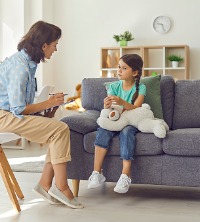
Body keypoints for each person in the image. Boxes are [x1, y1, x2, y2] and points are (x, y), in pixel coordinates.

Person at [0, 21, 83, 209]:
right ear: (44, 45)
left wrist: (48, 109)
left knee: (57, 129)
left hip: (7, 114)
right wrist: (48, 103)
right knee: (60, 129)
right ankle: (60, 187)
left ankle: (46, 184)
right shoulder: (19, 67)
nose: (55, 49)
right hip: (2, 117)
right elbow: (18, 109)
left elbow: (23, 106)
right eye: (55, 45)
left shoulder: (28, 63)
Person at [87, 54, 146, 193]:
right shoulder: (113, 87)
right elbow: (111, 110)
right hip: (115, 119)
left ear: (135, 72)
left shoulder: (141, 88)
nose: (119, 70)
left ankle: (125, 175)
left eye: (124, 68)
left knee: (127, 132)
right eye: (119, 67)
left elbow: (136, 108)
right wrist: (106, 106)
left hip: (131, 121)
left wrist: (122, 102)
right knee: (103, 129)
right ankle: (97, 173)